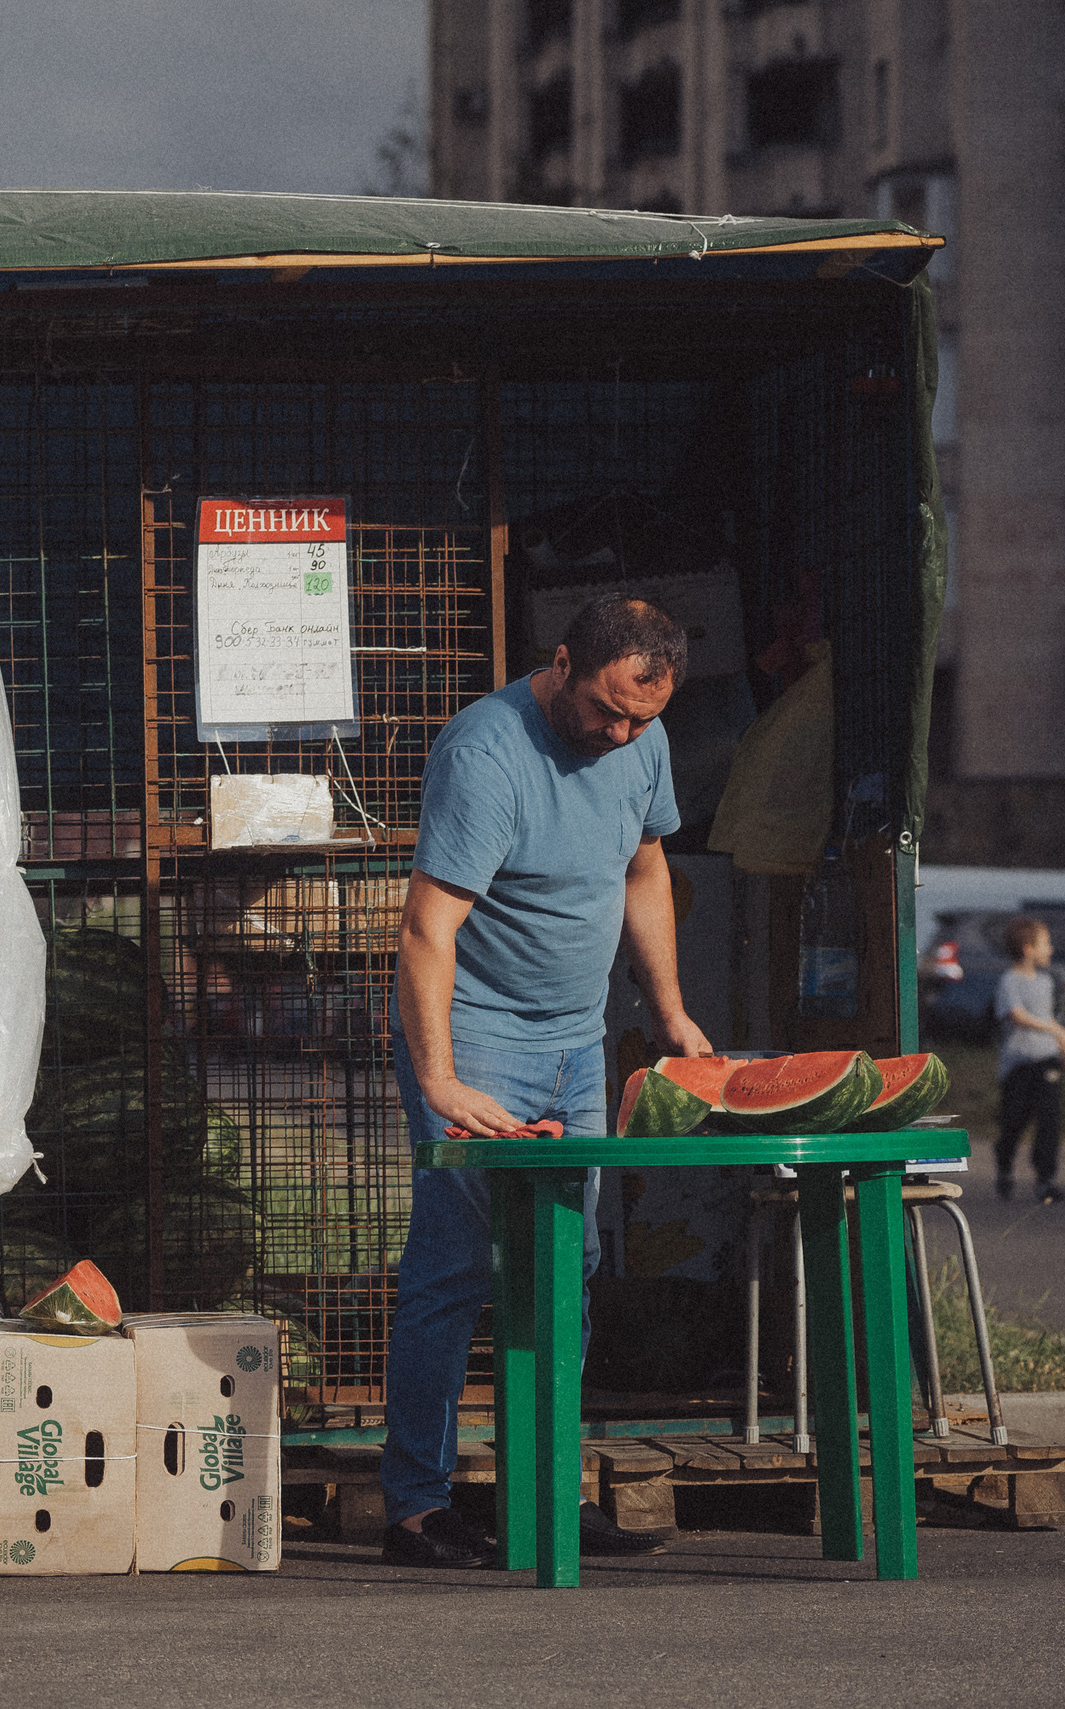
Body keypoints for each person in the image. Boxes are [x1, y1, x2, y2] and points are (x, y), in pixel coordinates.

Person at [380, 594, 710, 1569]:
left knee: (568, 1270)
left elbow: (644, 870)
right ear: (560, 662)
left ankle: (546, 1494)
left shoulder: (642, 740)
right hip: (475, 1034)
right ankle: (413, 1506)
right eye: (606, 709)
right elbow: (425, 927)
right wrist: (437, 1074)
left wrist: (668, 1008)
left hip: (578, 1039)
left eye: (640, 719)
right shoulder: (485, 755)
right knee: (453, 1265)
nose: (619, 734)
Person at [994, 917, 1065, 1204]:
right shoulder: (1010, 981)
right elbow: (1018, 1016)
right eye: (1046, 944)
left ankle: (1046, 1179)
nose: (1051, 949)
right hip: (1019, 1063)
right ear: (1028, 949)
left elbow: (1050, 1020)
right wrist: (1059, 1031)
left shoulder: (1046, 982)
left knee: (1049, 1120)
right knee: (1015, 1120)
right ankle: (1004, 1162)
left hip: (1046, 1060)